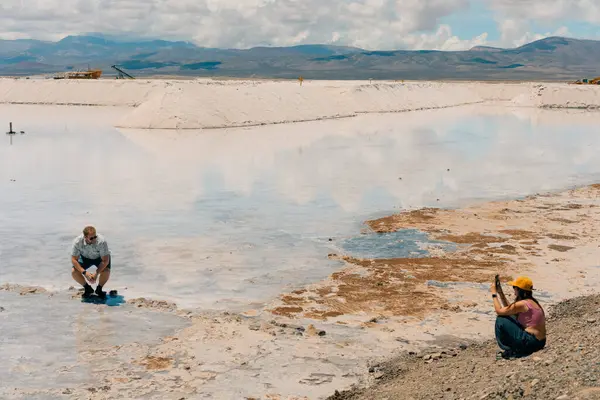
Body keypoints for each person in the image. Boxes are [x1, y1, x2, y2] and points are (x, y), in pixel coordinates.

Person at [490, 276, 546, 359]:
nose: (514, 291)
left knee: (501, 319)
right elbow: (510, 310)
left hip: (531, 342)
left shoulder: (523, 304)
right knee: (508, 316)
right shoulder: (532, 302)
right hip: (540, 342)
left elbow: (499, 311)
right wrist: (500, 293)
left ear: (520, 290)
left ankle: (510, 349)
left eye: (514, 288)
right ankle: (516, 349)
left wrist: (494, 294)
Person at [71, 226, 111, 298]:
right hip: (84, 257)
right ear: (85, 237)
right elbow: (74, 260)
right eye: (91, 238)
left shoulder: (101, 241)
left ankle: (99, 289)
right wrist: (85, 273)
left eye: (95, 237)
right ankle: (87, 288)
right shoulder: (77, 242)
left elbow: (105, 260)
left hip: (99, 258)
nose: (94, 239)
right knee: (74, 272)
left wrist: (96, 273)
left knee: (106, 271)